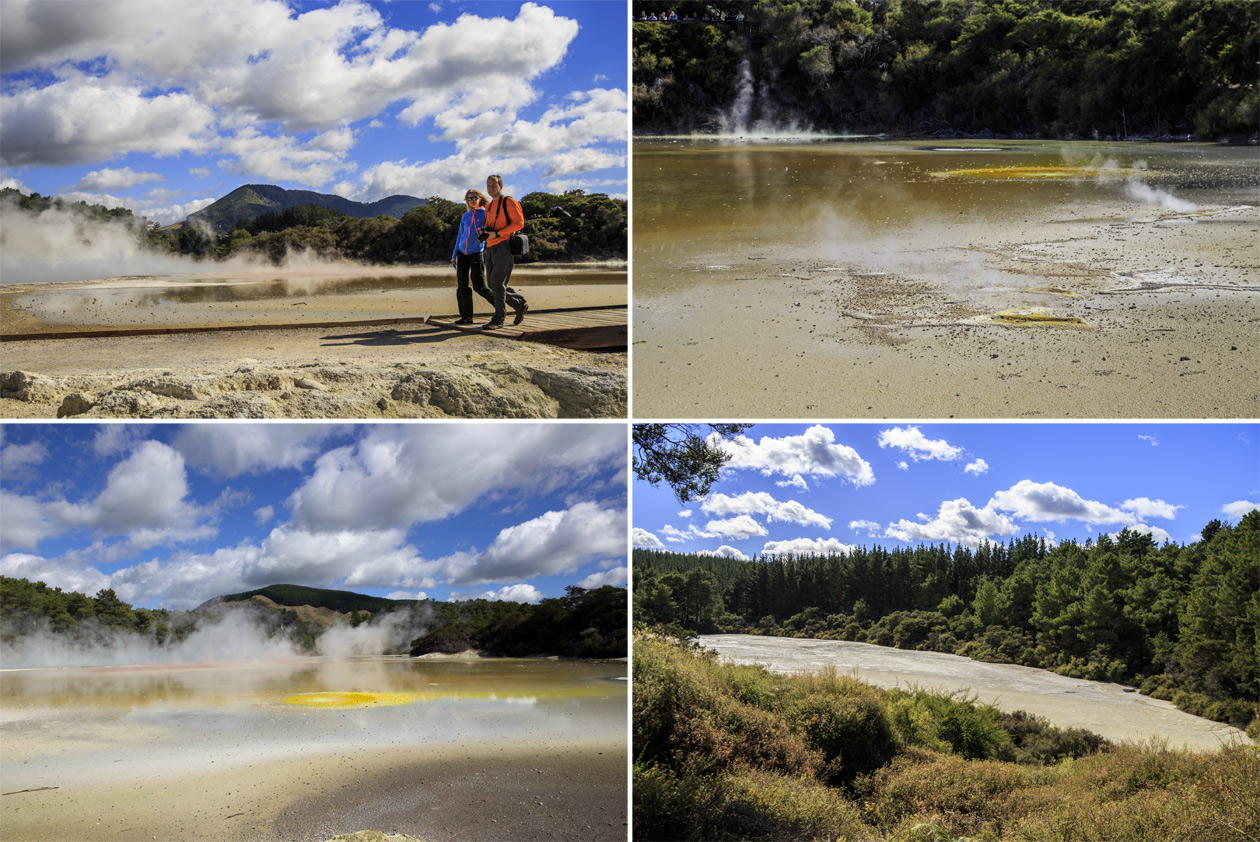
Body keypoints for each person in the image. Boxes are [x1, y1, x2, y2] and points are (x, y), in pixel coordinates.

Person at [479, 174, 528, 329]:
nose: (491, 188)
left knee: (498, 283)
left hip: (504, 245)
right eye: (488, 186)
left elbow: (519, 223)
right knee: (492, 284)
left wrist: (499, 234)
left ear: (501, 186)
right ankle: (519, 304)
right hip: (490, 246)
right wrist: (485, 231)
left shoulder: (509, 202)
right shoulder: (489, 206)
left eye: (494, 185)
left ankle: (499, 318)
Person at [450, 189, 494, 324]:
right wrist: (454, 254)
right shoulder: (465, 216)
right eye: (469, 198)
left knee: (479, 286)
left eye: (475, 197)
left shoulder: (487, 213)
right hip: (462, 253)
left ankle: (500, 307)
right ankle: (466, 317)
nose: (472, 200)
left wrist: (486, 231)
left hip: (476, 253)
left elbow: (492, 229)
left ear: (480, 198)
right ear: (467, 201)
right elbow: (460, 235)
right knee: (462, 286)